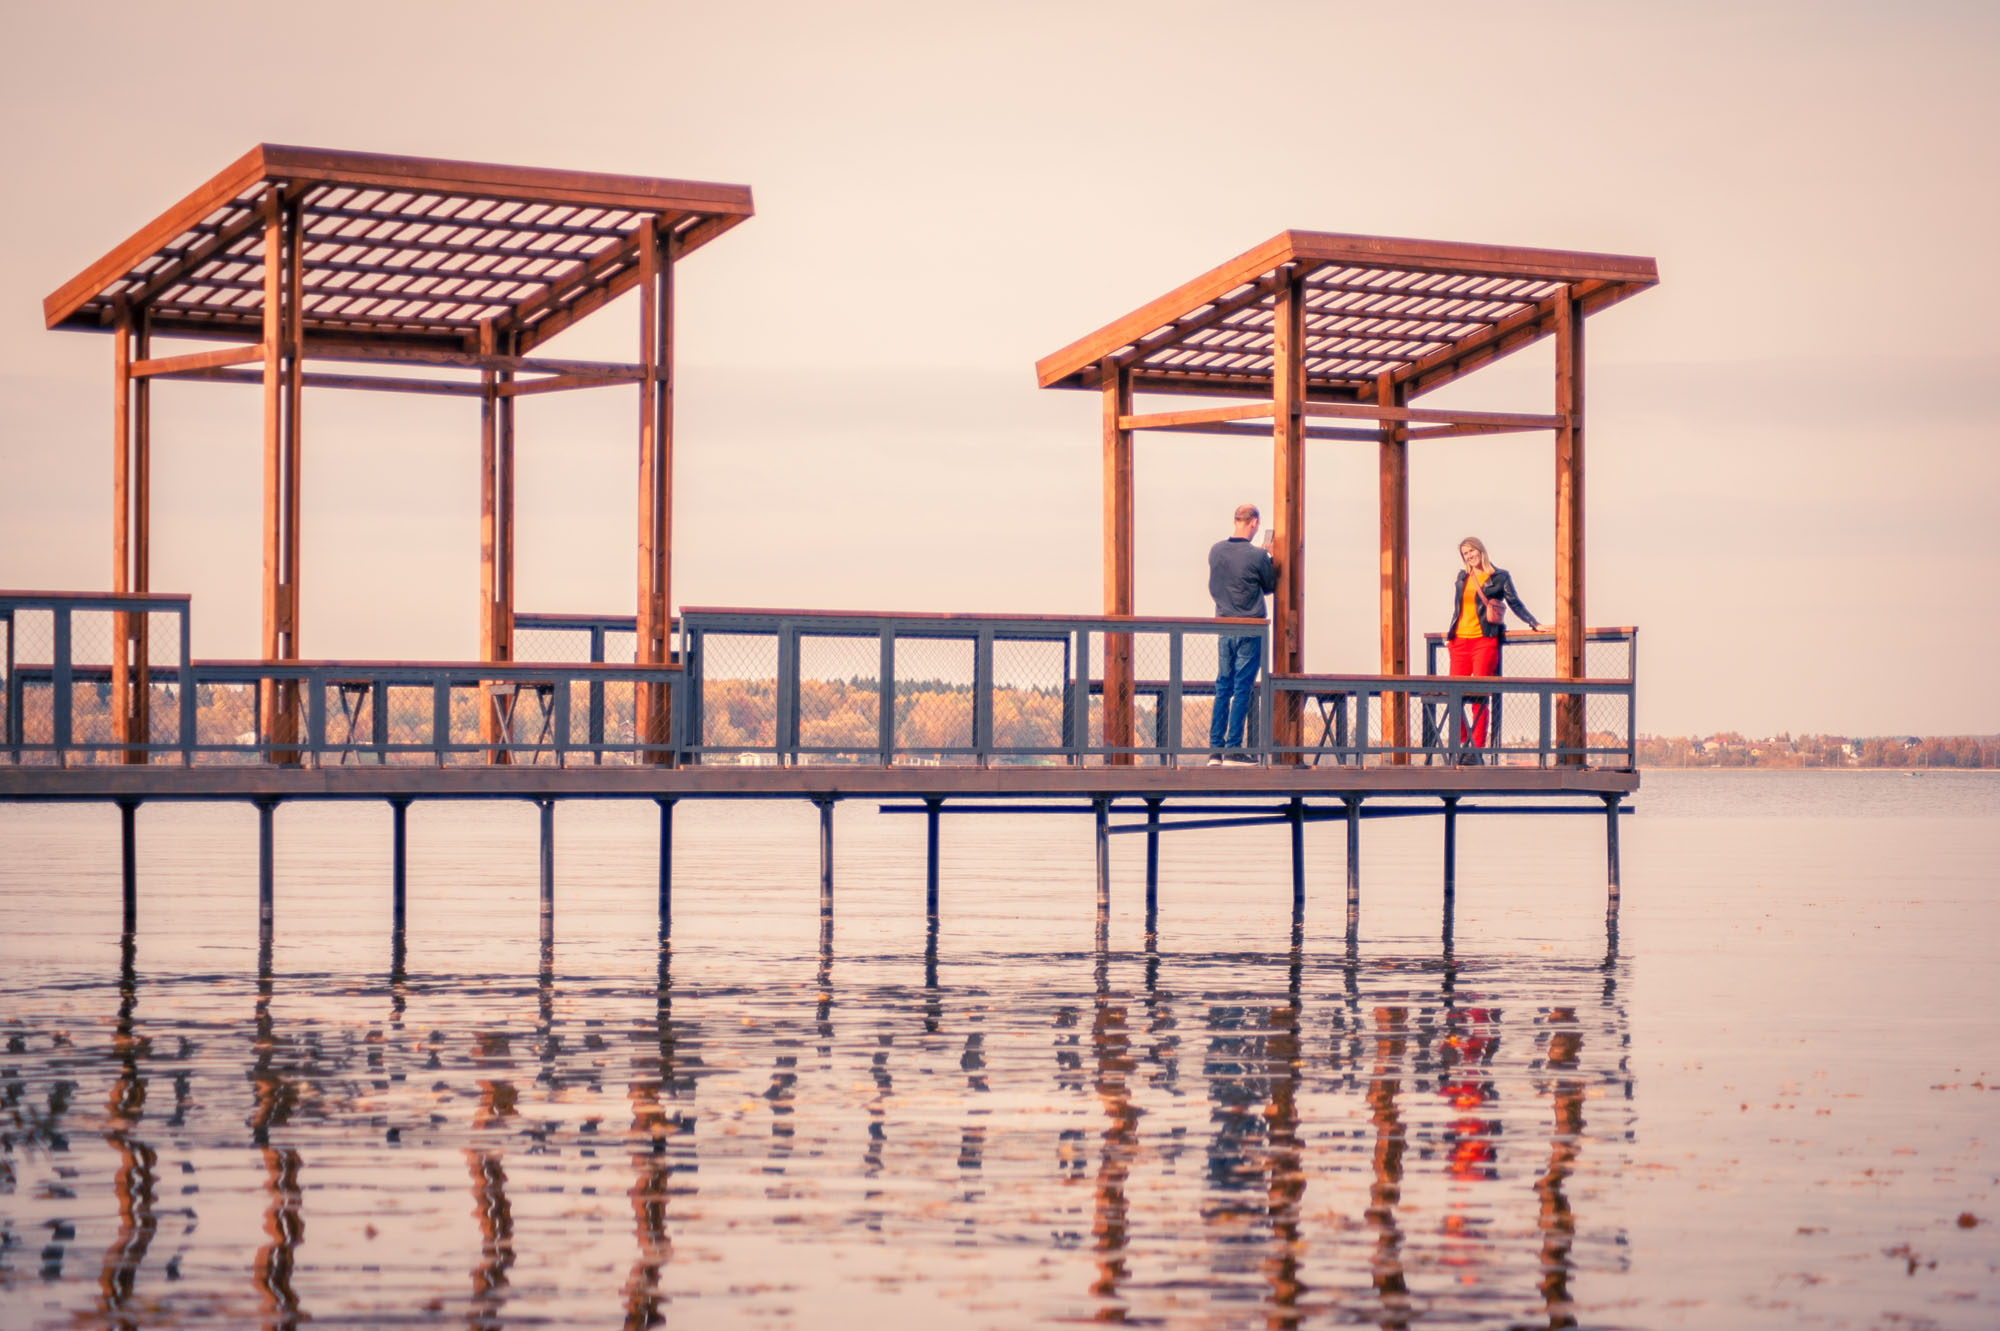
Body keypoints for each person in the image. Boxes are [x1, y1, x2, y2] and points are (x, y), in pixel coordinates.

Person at [1445, 537, 1544, 764]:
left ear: (1481, 550)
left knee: (1479, 696)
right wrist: (1450, 635)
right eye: (1465, 553)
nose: (1469, 556)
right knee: (1454, 696)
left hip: (1484, 641)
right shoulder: (1462, 578)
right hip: (1459, 642)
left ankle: (1476, 750)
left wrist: (1534, 623)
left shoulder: (1500, 577)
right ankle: (1463, 742)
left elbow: (1515, 602)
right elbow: (1458, 609)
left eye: (1472, 551)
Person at [1207, 504, 1277, 765]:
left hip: (1224, 626)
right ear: (1254, 523)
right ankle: (1234, 749)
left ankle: (1215, 750)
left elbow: (1222, 579)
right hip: (1250, 627)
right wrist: (1267, 557)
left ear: (1235, 520)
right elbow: (1269, 586)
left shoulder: (1216, 551)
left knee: (1223, 687)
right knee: (1242, 688)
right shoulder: (1257, 557)